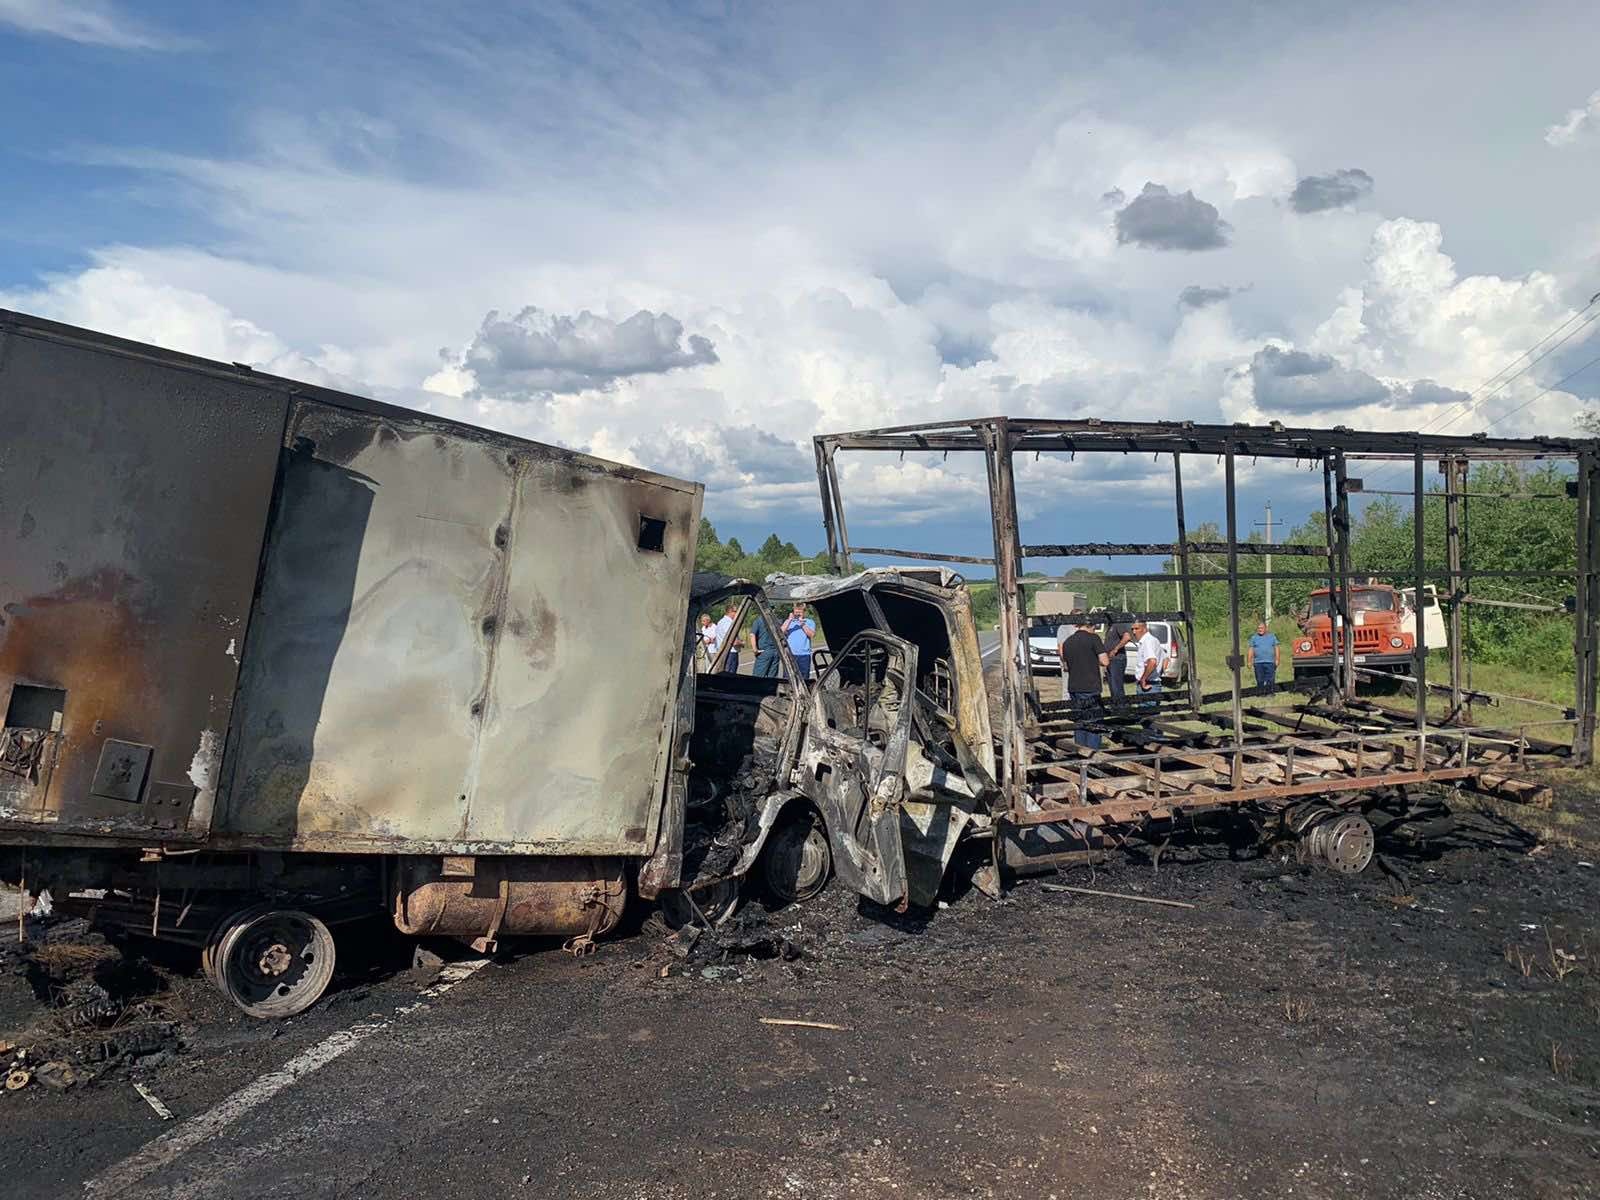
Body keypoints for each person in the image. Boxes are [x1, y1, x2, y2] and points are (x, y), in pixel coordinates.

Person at [1059, 621, 1110, 750]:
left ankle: (1079, 750)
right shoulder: (1094, 638)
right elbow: (1105, 661)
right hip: (1090, 686)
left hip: (1074, 686)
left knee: (1079, 720)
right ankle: (1092, 753)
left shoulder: (1068, 642)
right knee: (1093, 721)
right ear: (1091, 625)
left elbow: (1065, 667)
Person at [1131, 619, 1166, 723]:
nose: (1134, 632)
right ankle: (1157, 738)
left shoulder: (1147, 642)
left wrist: (1143, 679)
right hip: (1154, 684)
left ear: (1144, 629)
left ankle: (1153, 738)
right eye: (1132, 629)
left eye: (1137, 628)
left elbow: (1152, 661)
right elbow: (1166, 659)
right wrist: (1160, 672)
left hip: (1148, 686)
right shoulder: (1153, 640)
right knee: (1154, 721)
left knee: (1148, 721)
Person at [1102, 615, 1133, 704]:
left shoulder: (1118, 624)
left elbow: (1127, 637)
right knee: (1112, 686)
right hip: (1110, 660)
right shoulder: (1110, 627)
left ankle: (1121, 707)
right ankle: (1116, 706)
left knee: (1117, 686)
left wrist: (1116, 649)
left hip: (1117, 659)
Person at [783, 603, 817, 680]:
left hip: (804, 655)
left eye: (800, 611)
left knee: (804, 678)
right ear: (793, 610)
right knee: (788, 678)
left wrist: (802, 624)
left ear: (804, 611)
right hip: (790, 654)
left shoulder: (809, 622)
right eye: (796, 610)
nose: (798, 613)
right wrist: (789, 620)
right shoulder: (788, 621)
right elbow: (780, 632)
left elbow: (811, 635)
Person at [1249, 620, 1281, 696]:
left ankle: (1270, 693)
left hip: (1270, 662)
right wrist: (1249, 661)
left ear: (1266, 628)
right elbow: (1251, 650)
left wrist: (1277, 659)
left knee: (1270, 679)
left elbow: (1276, 648)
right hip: (1258, 662)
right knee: (1260, 679)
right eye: (1259, 628)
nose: (1260, 629)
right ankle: (1261, 693)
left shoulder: (1272, 637)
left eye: (1262, 628)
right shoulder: (1254, 638)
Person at [749, 612, 782, 678]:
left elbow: (752, 635)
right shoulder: (777, 621)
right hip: (776, 651)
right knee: (772, 677)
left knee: (758, 677)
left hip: (764, 651)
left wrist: (755, 650)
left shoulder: (759, 620)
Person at [715, 602, 741, 674]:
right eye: (736, 611)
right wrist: (741, 643)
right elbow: (733, 641)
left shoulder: (720, 622)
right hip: (730, 652)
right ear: (730, 612)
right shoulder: (729, 623)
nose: (737, 614)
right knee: (730, 673)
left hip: (722, 651)